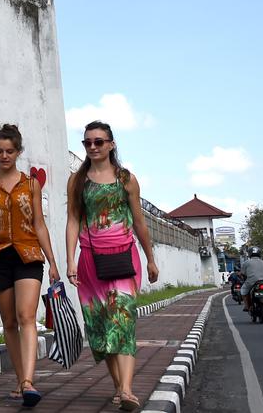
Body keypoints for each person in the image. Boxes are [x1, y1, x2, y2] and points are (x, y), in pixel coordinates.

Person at [65, 121, 158, 412]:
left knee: (123, 323)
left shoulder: (126, 179)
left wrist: (151, 258)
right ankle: (119, 386)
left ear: (111, 145)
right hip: (90, 261)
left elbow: (140, 222)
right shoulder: (77, 181)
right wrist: (70, 259)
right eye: (87, 143)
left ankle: (127, 390)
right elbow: (72, 220)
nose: (93, 147)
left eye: (99, 142)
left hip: (123, 257)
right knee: (101, 328)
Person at [0, 124, 59, 408]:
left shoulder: (31, 184)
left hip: (29, 255)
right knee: (9, 322)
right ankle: (20, 381)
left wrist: (53, 261)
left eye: (10, 151)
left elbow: (39, 224)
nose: (4, 155)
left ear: (18, 152)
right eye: (0, 151)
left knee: (26, 316)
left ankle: (29, 381)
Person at [239, 247, 263, 313]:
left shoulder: (246, 263)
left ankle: (246, 306)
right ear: (259, 254)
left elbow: (242, 273)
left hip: (250, 282)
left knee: (243, 291)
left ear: (249, 254)